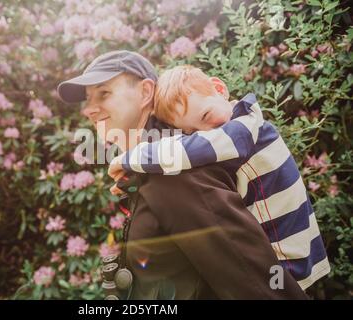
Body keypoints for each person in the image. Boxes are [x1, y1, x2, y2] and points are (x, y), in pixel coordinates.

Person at [57, 50, 308, 299]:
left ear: (145, 92)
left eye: (104, 93)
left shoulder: (175, 174)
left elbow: (258, 286)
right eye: (88, 99)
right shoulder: (154, 170)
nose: (89, 109)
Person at [107, 65, 330, 291]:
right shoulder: (239, 130)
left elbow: (191, 150)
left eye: (205, 115)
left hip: (288, 264)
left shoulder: (243, 129)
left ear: (219, 89)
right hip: (296, 254)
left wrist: (129, 158)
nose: (205, 132)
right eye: (192, 131)